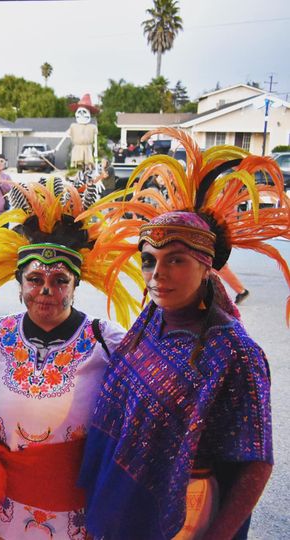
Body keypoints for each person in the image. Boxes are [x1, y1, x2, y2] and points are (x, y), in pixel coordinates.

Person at [78, 128, 289, 540]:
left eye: (176, 260)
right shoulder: (150, 321)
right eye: (149, 261)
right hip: (121, 503)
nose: (158, 276)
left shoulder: (235, 351)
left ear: (206, 265)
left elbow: (255, 461)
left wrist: (219, 536)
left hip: (185, 514)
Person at [0, 179, 142, 539]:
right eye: (34, 279)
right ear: (18, 284)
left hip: (76, 498)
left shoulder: (107, 339)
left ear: (76, 284)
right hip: (9, 498)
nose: (46, 290)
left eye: (59, 279)